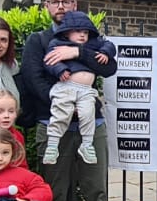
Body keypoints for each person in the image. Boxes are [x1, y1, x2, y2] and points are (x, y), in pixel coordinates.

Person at [18, 0, 120, 201]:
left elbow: (108, 66)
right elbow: (34, 79)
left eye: (65, 1)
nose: (60, 6)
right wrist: (67, 98)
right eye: (54, 2)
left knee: (96, 188)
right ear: (46, 6)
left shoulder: (89, 37)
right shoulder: (39, 41)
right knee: (53, 188)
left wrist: (76, 53)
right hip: (53, 123)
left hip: (92, 123)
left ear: (74, 4)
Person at [40, 9, 115, 166]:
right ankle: (52, 145)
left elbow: (109, 46)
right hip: (65, 87)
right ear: (66, 33)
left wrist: (105, 53)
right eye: (78, 31)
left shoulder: (92, 45)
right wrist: (59, 70)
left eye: (86, 32)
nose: (82, 35)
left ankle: (87, 145)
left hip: (87, 91)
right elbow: (48, 61)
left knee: (88, 116)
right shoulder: (57, 44)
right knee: (60, 114)